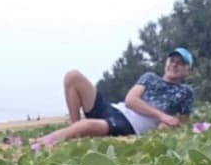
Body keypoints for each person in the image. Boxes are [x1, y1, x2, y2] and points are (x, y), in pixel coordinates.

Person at [35, 47, 195, 145]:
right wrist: (162, 116)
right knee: (73, 76)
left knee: (86, 126)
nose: (174, 64)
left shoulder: (185, 92)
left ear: (187, 70)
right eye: (172, 60)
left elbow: (181, 123)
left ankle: (39, 144)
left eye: (181, 63)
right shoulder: (149, 77)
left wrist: (166, 124)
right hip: (115, 110)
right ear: (166, 62)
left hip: (129, 125)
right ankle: (74, 134)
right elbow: (131, 101)